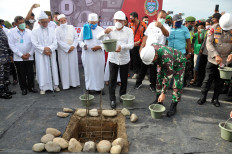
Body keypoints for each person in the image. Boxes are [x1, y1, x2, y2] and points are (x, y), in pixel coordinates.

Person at [97, 11, 134, 109]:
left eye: (120, 20)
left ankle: (122, 96)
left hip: (124, 59)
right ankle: (112, 99)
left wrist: (122, 47)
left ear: (124, 22)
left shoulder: (128, 31)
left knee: (124, 80)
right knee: (112, 80)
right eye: (116, 20)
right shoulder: (110, 30)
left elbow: (131, 45)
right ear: (113, 20)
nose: (118, 22)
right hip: (113, 58)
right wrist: (104, 32)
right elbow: (98, 38)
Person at [140, 44, 186, 117]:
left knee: (177, 84)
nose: (152, 62)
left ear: (155, 55)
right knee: (159, 78)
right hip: (164, 61)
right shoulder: (151, 48)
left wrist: (163, 93)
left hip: (179, 63)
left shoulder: (167, 59)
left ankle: (174, 105)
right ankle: (158, 100)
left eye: (152, 60)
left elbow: (168, 77)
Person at [197, 13, 232, 107]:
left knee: (220, 81)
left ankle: (215, 99)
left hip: (225, 61)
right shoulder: (213, 28)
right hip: (212, 59)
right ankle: (203, 97)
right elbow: (208, 43)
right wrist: (216, 55)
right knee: (207, 79)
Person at [134, 10, 170, 92]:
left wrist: (161, 26)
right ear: (157, 17)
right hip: (147, 50)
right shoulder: (151, 25)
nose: (162, 19)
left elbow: (167, 34)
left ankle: (153, 85)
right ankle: (138, 83)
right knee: (143, 67)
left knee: (154, 70)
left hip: (157, 52)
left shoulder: (166, 26)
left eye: (164, 17)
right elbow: (145, 36)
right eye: (161, 17)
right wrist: (142, 46)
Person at [31, 11, 60, 95]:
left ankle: (55, 86)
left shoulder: (52, 30)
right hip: (41, 55)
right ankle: (43, 87)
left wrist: (50, 48)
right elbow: (34, 43)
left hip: (51, 53)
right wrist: (44, 49)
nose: (45, 24)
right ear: (39, 22)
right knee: (42, 69)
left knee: (53, 68)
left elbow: (55, 42)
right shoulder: (34, 31)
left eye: (46, 22)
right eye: (43, 22)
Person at [8, 16, 37, 95]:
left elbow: (34, 43)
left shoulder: (29, 31)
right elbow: (12, 45)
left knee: (30, 73)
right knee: (21, 74)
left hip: (29, 56)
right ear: (16, 24)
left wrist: (30, 53)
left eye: (23, 22)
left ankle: (31, 87)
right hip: (19, 58)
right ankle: (23, 88)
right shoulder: (11, 32)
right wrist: (21, 55)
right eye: (20, 23)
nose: (22, 24)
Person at [79, 13, 105, 94]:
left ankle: (99, 88)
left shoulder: (101, 30)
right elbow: (79, 41)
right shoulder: (85, 29)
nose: (93, 24)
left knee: (99, 71)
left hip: (98, 54)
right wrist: (84, 45)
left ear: (97, 22)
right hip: (88, 54)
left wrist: (99, 47)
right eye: (91, 23)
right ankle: (89, 88)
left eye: (94, 23)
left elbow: (105, 42)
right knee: (88, 71)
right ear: (88, 22)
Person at [56, 14, 80, 90]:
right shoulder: (57, 29)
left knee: (73, 66)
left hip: (72, 50)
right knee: (65, 67)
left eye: (64, 20)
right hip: (63, 51)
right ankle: (66, 85)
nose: (63, 22)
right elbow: (58, 41)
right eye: (61, 21)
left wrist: (73, 46)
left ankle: (74, 83)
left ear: (66, 20)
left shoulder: (71, 27)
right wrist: (67, 48)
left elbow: (76, 38)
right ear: (59, 22)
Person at [168, 14, 192, 86]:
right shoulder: (168, 29)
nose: (179, 22)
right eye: (177, 21)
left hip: (181, 52)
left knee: (179, 70)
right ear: (173, 21)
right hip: (170, 52)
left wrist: (189, 53)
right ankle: (169, 85)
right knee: (170, 69)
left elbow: (188, 41)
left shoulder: (184, 29)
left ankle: (178, 86)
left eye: (180, 21)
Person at [129, 12, 147, 79]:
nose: (130, 19)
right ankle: (135, 73)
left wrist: (139, 41)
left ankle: (143, 74)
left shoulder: (143, 24)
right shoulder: (130, 25)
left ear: (136, 18)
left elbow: (145, 35)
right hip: (134, 45)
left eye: (131, 18)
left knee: (142, 60)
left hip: (142, 45)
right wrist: (133, 42)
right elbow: (129, 35)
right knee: (134, 60)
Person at [0, 20, 15, 99]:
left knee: (6, 74)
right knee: (0, 76)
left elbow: (7, 43)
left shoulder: (2, 31)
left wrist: (10, 55)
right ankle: (1, 92)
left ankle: (6, 89)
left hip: (6, 57)